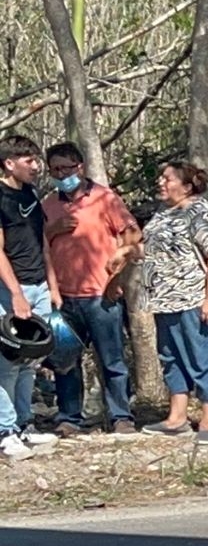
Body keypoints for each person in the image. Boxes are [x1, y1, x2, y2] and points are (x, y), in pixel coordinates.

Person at [40, 141, 142, 436]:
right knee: (65, 361)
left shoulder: (105, 199)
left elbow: (132, 239)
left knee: (112, 359)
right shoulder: (48, 205)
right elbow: (36, 244)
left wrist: (117, 279)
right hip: (63, 296)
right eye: (55, 169)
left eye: (66, 168)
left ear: (80, 167)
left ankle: (121, 415)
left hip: (101, 294)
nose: (61, 174)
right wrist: (53, 230)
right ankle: (69, 417)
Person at [140, 160, 208, 445]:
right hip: (164, 299)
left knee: (201, 354)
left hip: (193, 297)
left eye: (168, 179)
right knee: (171, 357)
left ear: (187, 186)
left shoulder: (198, 212)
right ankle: (176, 417)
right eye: (161, 178)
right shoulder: (164, 213)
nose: (161, 183)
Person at [0, 135, 60, 460]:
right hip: (11, 289)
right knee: (7, 363)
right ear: (9, 163)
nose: (36, 166)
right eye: (29, 161)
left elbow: (42, 241)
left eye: (36, 160)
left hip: (39, 286)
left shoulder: (31, 194)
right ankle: (5, 430)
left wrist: (52, 285)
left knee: (30, 363)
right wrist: (15, 293)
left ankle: (24, 424)